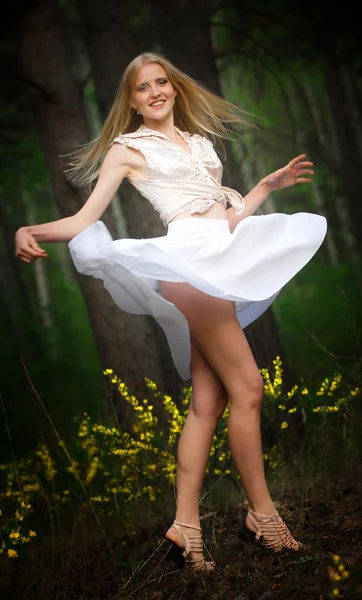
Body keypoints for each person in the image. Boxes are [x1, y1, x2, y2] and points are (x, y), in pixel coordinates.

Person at [15, 52, 327, 571]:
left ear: (174, 89)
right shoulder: (128, 149)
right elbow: (84, 217)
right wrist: (31, 231)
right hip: (187, 266)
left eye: (162, 82)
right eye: (143, 88)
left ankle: (185, 526)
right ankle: (264, 517)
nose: (155, 92)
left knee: (210, 402)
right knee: (248, 387)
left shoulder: (200, 143)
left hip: (217, 258)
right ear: (131, 100)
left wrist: (266, 188)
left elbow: (224, 218)